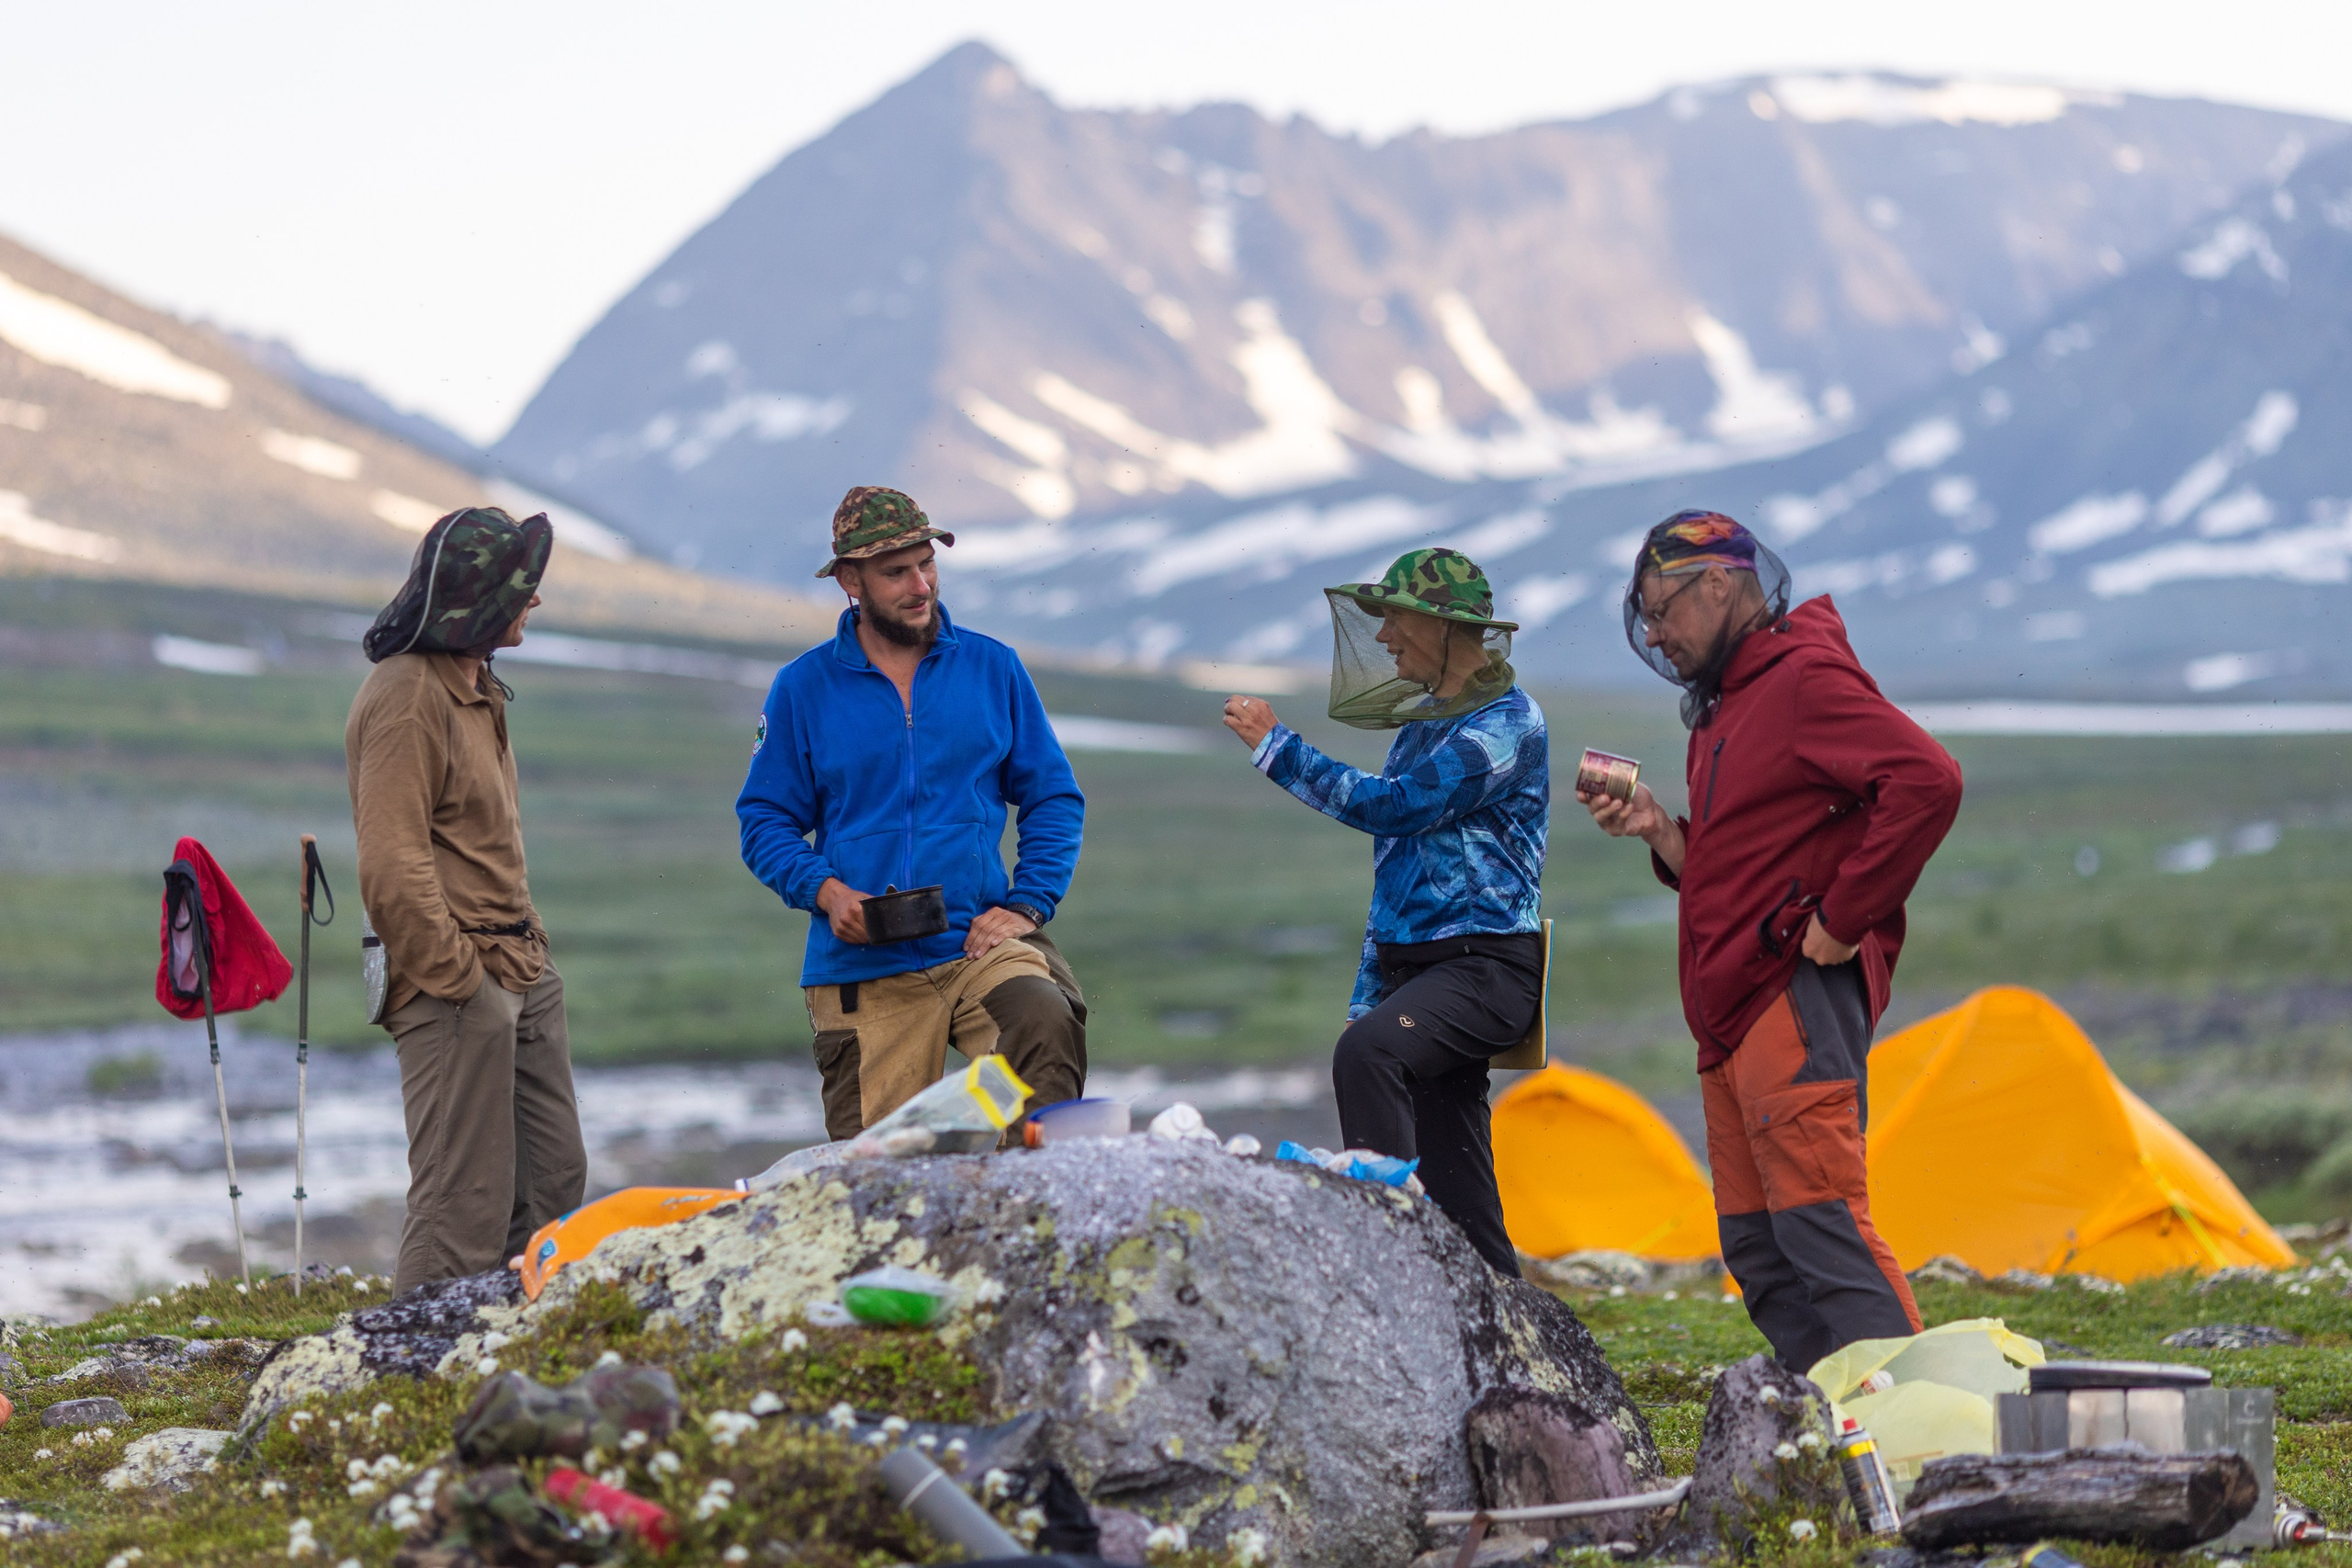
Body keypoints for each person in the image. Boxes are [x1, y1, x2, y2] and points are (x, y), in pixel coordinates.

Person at [1581, 509, 1963, 1369]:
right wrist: (1662, 833)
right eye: (1643, 617)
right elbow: (1756, 856)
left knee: (1822, 1226)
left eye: (1661, 609)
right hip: (1731, 1019)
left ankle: (1924, 1445)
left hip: (1790, 1002)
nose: (1653, 633)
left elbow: (1929, 781)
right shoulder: (1728, 705)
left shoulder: (1800, 680)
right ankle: (1834, 1434)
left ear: (1719, 584)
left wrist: (1841, 919)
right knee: (1760, 1251)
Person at [1222, 547, 1546, 1276]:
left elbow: (1397, 808)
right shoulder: (1422, 726)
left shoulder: (1506, 724)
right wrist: (1370, 992)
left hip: (1485, 967)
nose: (1384, 638)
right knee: (1459, 1180)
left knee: (1368, 1054)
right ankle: (1509, 1318)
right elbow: (1395, 871)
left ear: (1444, 627)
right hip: (1420, 974)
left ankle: (1394, 1270)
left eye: (1394, 619)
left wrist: (1281, 749)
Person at [738, 486, 1088, 1140]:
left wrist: (1028, 903)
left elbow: (1053, 794)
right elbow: (764, 820)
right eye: (895, 571)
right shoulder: (802, 688)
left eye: (926, 563)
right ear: (850, 581)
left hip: (976, 944)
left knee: (1041, 1016)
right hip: (863, 971)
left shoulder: (993, 667)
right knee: (877, 1182)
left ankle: (1035, 1225)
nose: (920, 584)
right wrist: (826, 889)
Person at [346, 506, 585, 1294]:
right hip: (457, 983)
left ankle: (504, 1355)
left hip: (518, 962)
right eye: (521, 588)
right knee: (461, 1205)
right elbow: (392, 863)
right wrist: (463, 983)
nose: (535, 602)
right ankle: (410, 1376)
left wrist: (531, 956)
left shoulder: (477, 684)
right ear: (476, 600)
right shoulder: (408, 694)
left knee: (552, 1182)